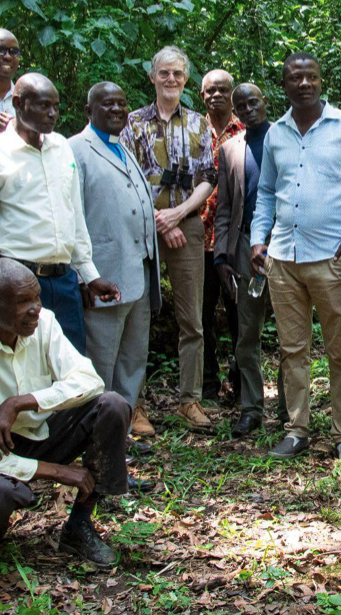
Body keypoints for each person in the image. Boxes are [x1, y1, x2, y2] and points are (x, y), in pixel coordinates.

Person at [0, 259, 141, 564]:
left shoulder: (43, 323)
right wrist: (58, 471)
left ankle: (79, 526)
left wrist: (20, 402)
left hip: (40, 433)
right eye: (22, 302)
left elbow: (89, 381)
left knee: (111, 406)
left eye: (37, 297)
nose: (35, 308)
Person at [251, 52, 341, 463]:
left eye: (311, 76)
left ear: (321, 81)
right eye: (294, 78)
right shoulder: (276, 134)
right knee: (292, 350)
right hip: (283, 257)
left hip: (332, 257)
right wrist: (258, 238)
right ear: (284, 84)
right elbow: (267, 192)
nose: (303, 83)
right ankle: (298, 429)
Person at [0, 72, 119, 355]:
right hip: (18, 281)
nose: (52, 114)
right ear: (18, 103)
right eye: (42, 105)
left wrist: (89, 275)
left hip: (63, 282)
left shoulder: (61, 147)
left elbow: (74, 216)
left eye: (56, 106)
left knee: (72, 362)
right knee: (23, 362)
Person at [120, 46, 218, 431]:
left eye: (178, 73)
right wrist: (159, 219)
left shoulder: (197, 123)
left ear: (186, 78)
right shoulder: (132, 123)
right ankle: (135, 405)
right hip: (143, 227)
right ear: (153, 76)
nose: (172, 79)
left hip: (187, 225)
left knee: (191, 319)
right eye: (165, 73)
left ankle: (189, 401)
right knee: (137, 316)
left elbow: (209, 176)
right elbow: (127, 177)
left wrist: (178, 215)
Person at [69, 82, 161, 441]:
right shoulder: (76, 149)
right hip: (104, 276)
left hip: (137, 272)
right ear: (88, 109)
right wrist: (84, 275)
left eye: (122, 104)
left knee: (132, 360)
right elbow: (72, 216)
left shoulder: (123, 146)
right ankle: (93, 438)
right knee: (100, 363)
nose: (117, 110)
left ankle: (117, 437)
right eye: (107, 104)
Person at [214, 83, 284, 439]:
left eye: (253, 101)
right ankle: (252, 407)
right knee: (247, 331)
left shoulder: (286, 137)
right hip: (245, 249)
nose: (247, 108)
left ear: (265, 101)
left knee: (291, 331)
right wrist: (221, 257)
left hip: (285, 245)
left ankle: (289, 409)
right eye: (240, 105)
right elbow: (224, 207)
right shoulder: (229, 149)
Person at [199, 69, 244, 409]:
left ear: (231, 93)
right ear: (201, 96)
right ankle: (208, 385)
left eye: (222, 90)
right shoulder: (193, 130)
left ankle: (240, 381)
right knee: (200, 316)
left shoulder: (244, 130)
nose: (215, 95)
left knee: (238, 313)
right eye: (209, 90)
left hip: (231, 240)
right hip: (197, 240)